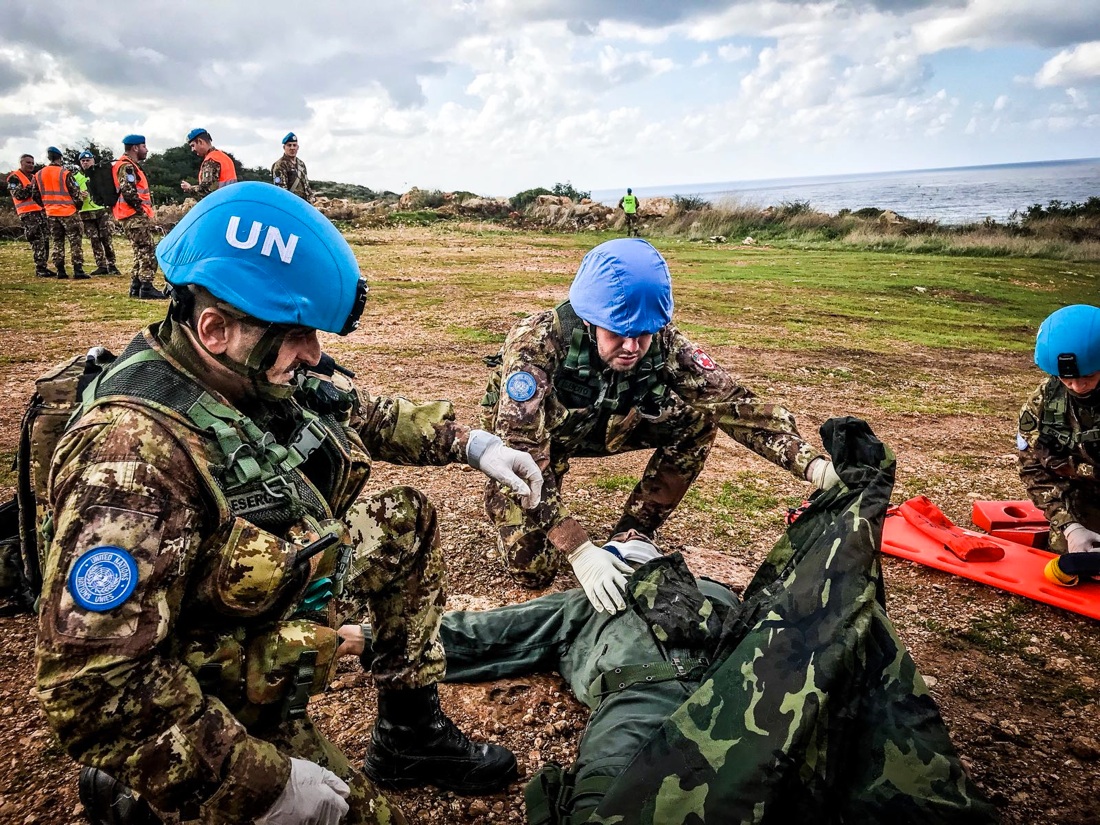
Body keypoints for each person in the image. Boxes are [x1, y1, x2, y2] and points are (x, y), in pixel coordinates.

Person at [35, 182, 544, 825]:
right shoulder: (130, 461)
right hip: (205, 677)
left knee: (402, 519)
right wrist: (257, 786)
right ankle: (143, 792)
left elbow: (355, 410)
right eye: (298, 334)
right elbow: (94, 684)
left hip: (269, 585)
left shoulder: (242, 371)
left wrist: (472, 443)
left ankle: (409, 736)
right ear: (215, 328)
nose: (314, 353)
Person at [363, 418, 996, 824]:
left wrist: (825, 486)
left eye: (635, 546)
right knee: (610, 802)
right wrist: (367, 638)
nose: (627, 550)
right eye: (620, 549)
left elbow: (808, 622)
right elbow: (491, 633)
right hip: (645, 700)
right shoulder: (587, 599)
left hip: (747, 691)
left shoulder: (716, 591)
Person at [478, 237, 838, 612]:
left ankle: (634, 531)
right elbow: (520, 449)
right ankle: (504, 499)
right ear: (589, 319)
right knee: (532, 571)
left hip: (609, 424)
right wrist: (579, 548)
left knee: (698, 418)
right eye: (618, 333)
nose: (632, 347)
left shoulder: (664, 341)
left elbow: (732, 403)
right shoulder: (538, 341)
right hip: (537, 443)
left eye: (643, 334)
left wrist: (814, 466)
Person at [1018, 304, 1100, 557]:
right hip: (1081, 498)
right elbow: (1033, 469)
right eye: (1067, 379)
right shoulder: (1043, 403)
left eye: (1088, 376)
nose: (1077, 386)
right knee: (1078, 558)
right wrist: (1069, 526)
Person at [112, 134, 168, 300]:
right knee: (148, 250)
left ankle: (136, 286)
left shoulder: (126, 165)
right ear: (135, 148)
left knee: (139, 250)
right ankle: (146, 286)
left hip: (128, 215)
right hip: (133, 215)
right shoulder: (127, 167)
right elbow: (128, 190)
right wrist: (140, 210)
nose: (147, 150)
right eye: (144, 146)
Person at [34, 146, 86, 279]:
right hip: (69, 212)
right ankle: (78, 270)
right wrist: (78, 205)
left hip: (51, 213)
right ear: (60, 158)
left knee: (57, 242)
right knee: (75, 242)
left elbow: (35, 194)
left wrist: (46, 206)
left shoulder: (38, 174)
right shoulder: (65, 173)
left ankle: (60, 270)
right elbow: (75, 193)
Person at [73, 150, 120, 276]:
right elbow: (70, 193)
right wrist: (78, 195)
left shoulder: (99, 174)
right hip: (85, 212)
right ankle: (101, 265)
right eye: (83, 161)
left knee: (106, 237)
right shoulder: (75, 177)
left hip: (100, 210)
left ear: (93, 161)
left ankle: (112, 264)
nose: (85, 162)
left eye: (88, 160)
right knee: (94, 239)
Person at [6, 153, 52, 277]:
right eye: (28, 162)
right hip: (28, 213)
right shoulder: (14, 177)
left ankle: (44, 266)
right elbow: (18, 195)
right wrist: (32, 186)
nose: (31, 165)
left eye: (32, 163)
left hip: (40, 212)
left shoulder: (33, 177)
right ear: (21, 163)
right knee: (37, 240)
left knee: (45, 239)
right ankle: (40, 268)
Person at [181, 128, 238, 199]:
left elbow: (207, 189)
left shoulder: (211, 160)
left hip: (219, 203)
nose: (193, 150)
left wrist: (189, 188)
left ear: (200, 141)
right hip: (231, 201)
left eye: (193, 146)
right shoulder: (223, 157)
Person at [272, 132, 314, 202]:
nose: (292, 148)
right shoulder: (280, 165)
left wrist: (312, 198)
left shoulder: (301, 164)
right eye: (289, 145)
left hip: (304, 204)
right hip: (291, 203)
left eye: (294, 145)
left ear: (298, 147)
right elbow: (281, 190)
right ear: (284, 147)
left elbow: (306, 185)